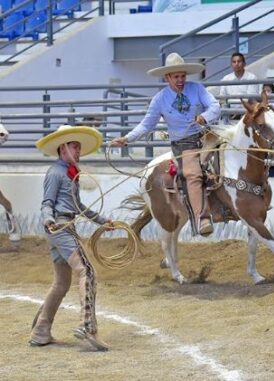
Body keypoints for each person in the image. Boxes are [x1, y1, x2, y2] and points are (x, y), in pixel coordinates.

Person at [111, 53, 221, 236]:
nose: (180, 80)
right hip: (184, 145)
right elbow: (147, 124)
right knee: (192, 174)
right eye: (176, 77)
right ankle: (201, 217)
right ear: (167, 77)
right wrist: (128, 139)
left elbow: (215, 106)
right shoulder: (160, 99)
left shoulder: (198, 89)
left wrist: (204, 117)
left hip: (207, 137)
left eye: (183, 76)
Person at [31, 125, 113, 351]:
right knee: (87, 271)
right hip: (60, 227)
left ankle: (41, 331)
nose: (78, 151)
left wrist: (102, 220)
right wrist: (48, 219)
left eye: (78, 147)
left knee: (62, 282)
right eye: (74, 147)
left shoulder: (71, 174)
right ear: (63, 148)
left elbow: (79, 207)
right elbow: (46, 202)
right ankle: (88, 326)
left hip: (64, 226)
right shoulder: (56, 173)